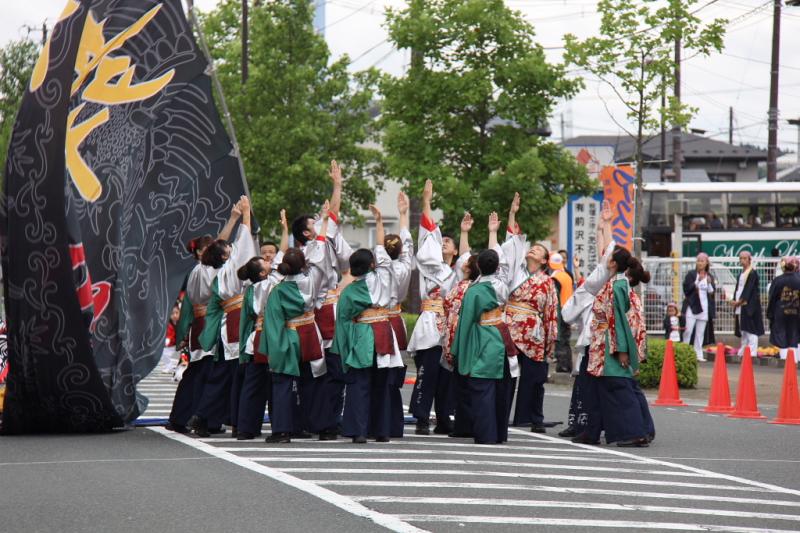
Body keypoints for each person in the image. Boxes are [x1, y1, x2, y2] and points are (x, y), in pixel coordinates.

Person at [166, 202, 245, 435]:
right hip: (211, 323)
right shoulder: (208, 270)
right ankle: (199, 417)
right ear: (202, 252)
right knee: (208, 374)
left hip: (201, 324)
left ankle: (189, 418)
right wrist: (235, 220)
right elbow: (189, 309)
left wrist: (232, 219)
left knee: (199, 373)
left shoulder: (199, 271)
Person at [291, 160, 353, 439]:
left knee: (324, 373)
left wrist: (338, 185)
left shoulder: (318, 245)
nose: (322, 221)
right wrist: (336, 187)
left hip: (322, 311)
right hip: (319, 313)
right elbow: (333, 216)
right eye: (315, 222)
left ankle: (322, 420)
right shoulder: (312, 250)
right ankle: (321, 421)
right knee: (324, 371)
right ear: (306, 233)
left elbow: (333, 216)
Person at [263, 206, 331, 443]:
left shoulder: (278, 289)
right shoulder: (312, 277)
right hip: (310, 332)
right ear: (305, 263)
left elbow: (272, 324)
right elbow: (320, 253)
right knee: (313, 380)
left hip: (289, 336)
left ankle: (283, 429)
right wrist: (323, 222)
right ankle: (318, 425)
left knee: (283, 382)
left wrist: (275, 349)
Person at [407, 179, 469, 435]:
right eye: (440, 240)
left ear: (454, 251)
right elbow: (427, 240)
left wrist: (464, 233)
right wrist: (426, 202)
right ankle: (422, 417)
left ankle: (444, 417)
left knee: (447, 377)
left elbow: (467, 261)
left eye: (447, 242)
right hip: (431, 323)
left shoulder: (456, 272)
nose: (442, 244)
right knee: (428, 372)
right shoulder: (430, 266)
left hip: (449, 325)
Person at [192, 196, 258, 437]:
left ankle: (210, 418)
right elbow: (245, 245)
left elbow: (221, 244)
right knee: (229, 375)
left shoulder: (208, 269)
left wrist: (233, 218)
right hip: (234, 322)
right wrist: (246, 215)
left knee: (222, 374)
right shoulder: (230, 268)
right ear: (223, 256)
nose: (230, 247)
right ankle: (210, 416)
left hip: (224, 322)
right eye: (227, 249)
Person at [333, 205, 398, 443]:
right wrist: (379, 221)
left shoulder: (350, 292)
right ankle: (381, 430)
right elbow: (382, 251)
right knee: (382, 384)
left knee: (359, 385)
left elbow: (343, 321)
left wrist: (344, 347)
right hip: (383, 330)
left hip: (362, 334)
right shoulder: (384, 276)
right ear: (372, 265)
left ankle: (359, 431)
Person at [450, 220, 512, 445]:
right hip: (500, 335)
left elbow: (466, 323)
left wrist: (457, 349)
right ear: (497, 266)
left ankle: (486, 434)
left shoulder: (474, 291)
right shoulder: (503, 284)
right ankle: (499, 433)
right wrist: (493, 233)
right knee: (499, 387)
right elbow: (500, 261)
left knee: (482, 388)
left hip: (481, 337)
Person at [558, 200, 615, 442]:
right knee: (583, 383)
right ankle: (579, 423)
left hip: (601, 342)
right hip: (591, 341)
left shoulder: (611, 284)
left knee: (594, 386)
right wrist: (601, 228)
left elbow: (607, 258)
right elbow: (605, 258)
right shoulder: (593, 288)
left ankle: (591, 426)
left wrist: (606, 227)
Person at [503, 194, 559, 433]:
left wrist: (550, 339)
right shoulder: (516, 271)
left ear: (545, 260)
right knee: (506, 375)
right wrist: (513, 213)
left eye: (537, 250)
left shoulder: (547, 281)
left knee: (535, 379)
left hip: (534, 333)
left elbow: (551, 312)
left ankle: (534, 417)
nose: (532, 250)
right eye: (532, 248)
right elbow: (512, 243)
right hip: (511, 327)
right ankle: (502, 413)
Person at [588, 246, 654, 447]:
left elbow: (617, 320)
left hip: (610, 342)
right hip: (608, 338)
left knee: (620, 387)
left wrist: (621, 350)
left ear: (613, 263)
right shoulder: (619, 283)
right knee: (622, 387)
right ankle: (641, 429)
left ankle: (635, 432)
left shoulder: (616, 286)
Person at [384, 192, 414, 438]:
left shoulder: (380, 269)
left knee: (380, 375)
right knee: (395, 376)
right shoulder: (404, 267)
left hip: (380, 321)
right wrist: (403, 215)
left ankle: (380, 421)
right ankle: (395, 424)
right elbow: (408, 249)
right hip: (397, 320)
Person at [443, 253, 480, 437]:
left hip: (459, 336)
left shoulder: (462, 287)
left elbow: (448, 308)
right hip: (475, 338)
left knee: (462, 385)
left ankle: (463, 425)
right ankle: (473, 423)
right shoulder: (480, 287)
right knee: (472, 384)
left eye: (465, 264)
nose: (462, 265)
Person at [682, 252, 716, 362]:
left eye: (702, 261)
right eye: (698, 260)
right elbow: (687, 289)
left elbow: (712, 293)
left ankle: (698, 353)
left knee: (700, 333)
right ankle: (685, 352)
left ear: (706, 263)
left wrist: (709, 283)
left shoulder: (709, 276)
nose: (700, 263)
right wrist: (698, 281)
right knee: (688, 330)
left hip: (704, 307)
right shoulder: (691, 274)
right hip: (692, 307)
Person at [767, 256, 800, 363]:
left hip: (780, 312)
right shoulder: (798, 279)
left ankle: (785, 361)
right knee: (795, 336)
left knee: (782, 337)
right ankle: (795, 361)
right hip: (796, 313)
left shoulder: (777, 280)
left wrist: (770, 314)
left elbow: (772, 298)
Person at [732, 251, 764, 357]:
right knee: (743, 329)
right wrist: (734, 300)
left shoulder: (752, 273)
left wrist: (739, 301)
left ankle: (752, 352)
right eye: (741, 258)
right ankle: (743, 350)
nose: (742, 260)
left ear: (750, 259)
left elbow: (748, 290)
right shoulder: (741, 274)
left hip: (749, 305)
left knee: (751, 329)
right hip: (741, 305)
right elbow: (738, 289)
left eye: (745, 258)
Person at [550, 252, 574, 373]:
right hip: (567, 309)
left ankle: (563, 365)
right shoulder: (566, 275)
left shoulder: (556, 277)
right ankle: (567, 365)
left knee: (561, 339)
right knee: (565, 339)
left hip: (561, 312)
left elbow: (554, 298)